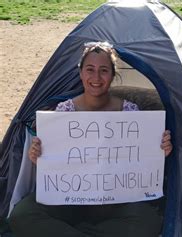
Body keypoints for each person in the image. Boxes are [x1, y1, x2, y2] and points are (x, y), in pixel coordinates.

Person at [9, 42, 172, 237]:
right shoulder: (64, 111)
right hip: (69, 200)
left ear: (113, 75)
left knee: (149, 222)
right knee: (22, 215)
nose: (96, 77)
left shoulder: (130, 112)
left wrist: (159, 150)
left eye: (104, 70)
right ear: (80, 73)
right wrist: (38, 157)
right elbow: (55, 163)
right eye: (90, 69)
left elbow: (140, 159)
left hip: (115, 201)